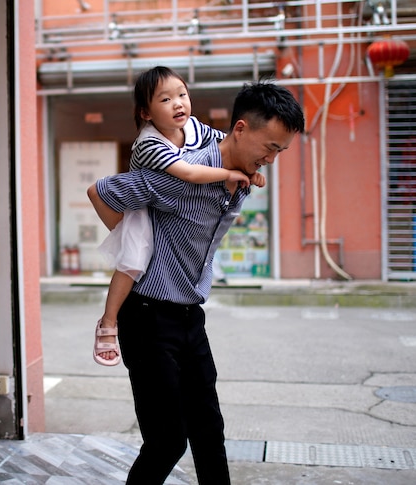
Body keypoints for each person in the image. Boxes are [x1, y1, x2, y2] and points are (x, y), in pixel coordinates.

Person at [87, 79, 305, 483]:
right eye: (270, 148)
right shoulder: (179, 175)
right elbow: (102, 191)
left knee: (208, 430)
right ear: (240, 130)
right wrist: (136, 242)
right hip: (147, 316)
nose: (271, 160)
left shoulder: (236, 167)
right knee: (168, 440)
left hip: (190, 316)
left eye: (280, 151)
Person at [93, 66, 261, 366]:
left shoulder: (195, 128)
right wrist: (230, 173)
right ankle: (107, 323)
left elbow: (227, 143)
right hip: (142, 211)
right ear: (146, 113)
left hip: (167, 212)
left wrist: (250, 166)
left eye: (182, 94)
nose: (178, 103)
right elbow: (188, 173)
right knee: (132, 262)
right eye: (166, 99)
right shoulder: (149, 143)